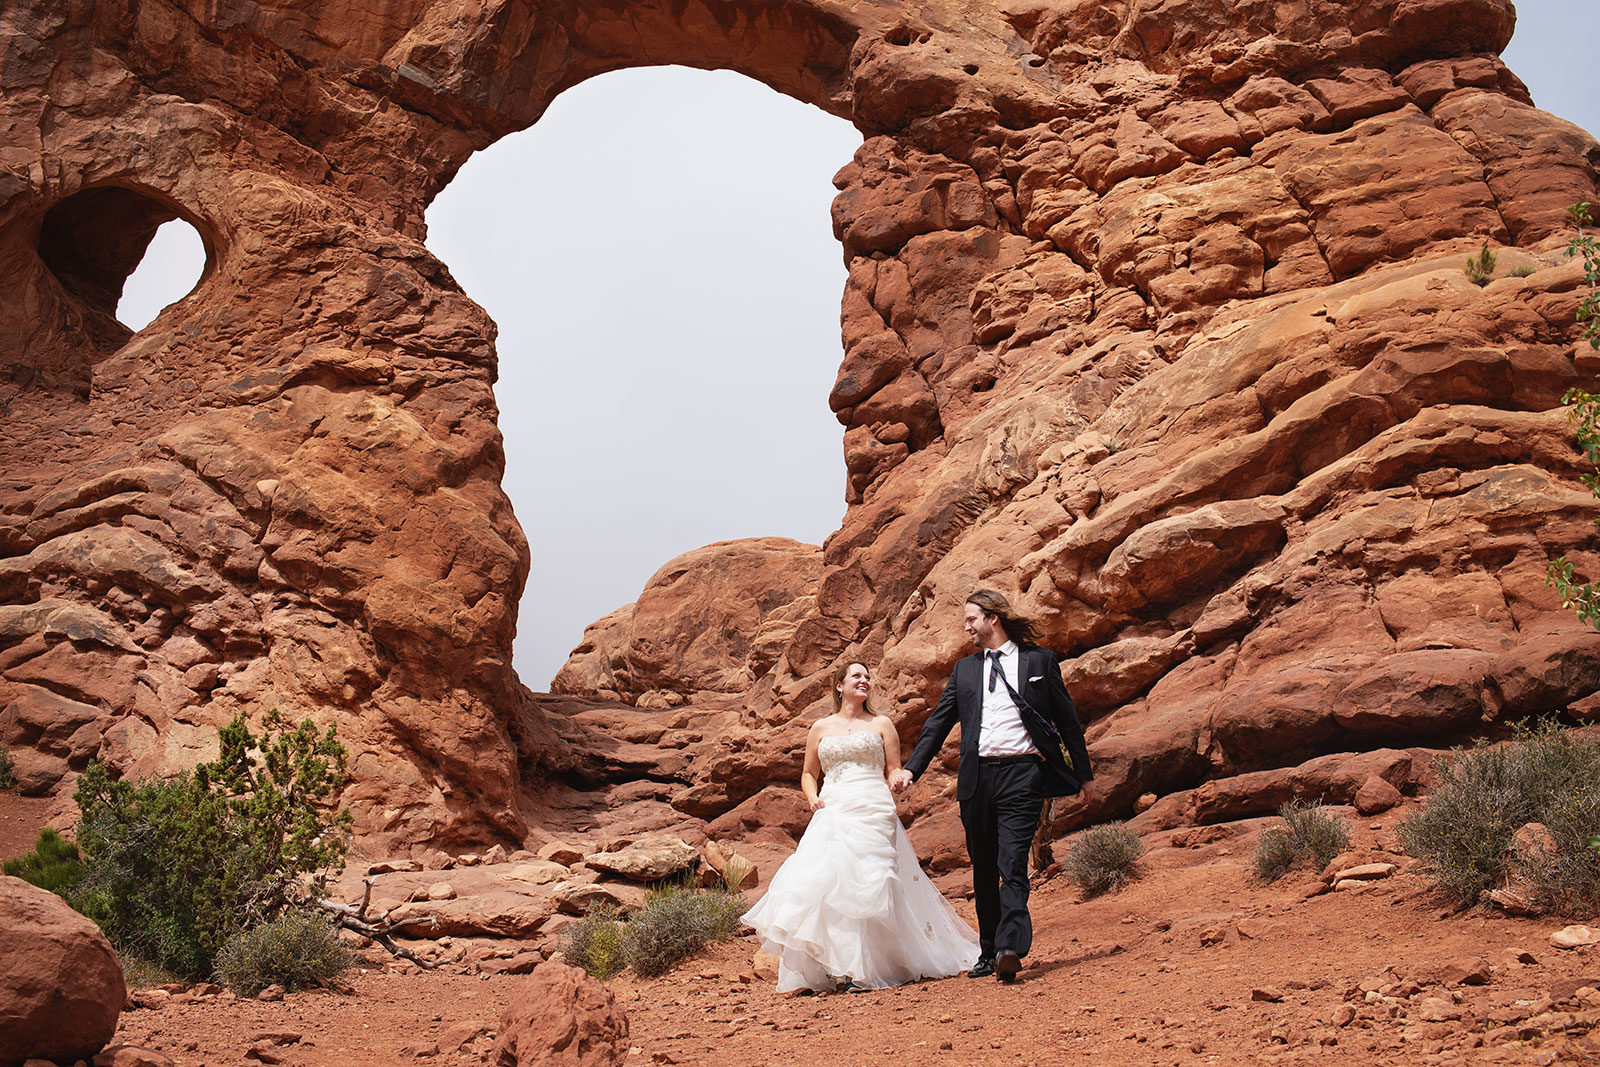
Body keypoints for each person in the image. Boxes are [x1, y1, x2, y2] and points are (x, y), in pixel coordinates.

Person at [890, 589, 1094, 984]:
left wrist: (1083, 774)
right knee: (983, 867)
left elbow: (1067, 721)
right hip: (977, 778)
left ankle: (1010, 947)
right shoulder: (965, 670)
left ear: (992, 618)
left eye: (971, 619)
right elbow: (938, 723)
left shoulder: (1039, 661)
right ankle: (988, 951)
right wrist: (913, 770)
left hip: (1023, 775)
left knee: (1012, 862)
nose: (966, 627)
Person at [743, 661, 980, 993]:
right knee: (830, 882)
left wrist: (899, 780)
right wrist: (812, 798)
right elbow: (809, 773)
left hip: (873, 806)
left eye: (868, 677)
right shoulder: (820, 728)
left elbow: (893, 769)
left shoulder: (882, 723)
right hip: (835, 807)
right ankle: (838, 965)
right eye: (857, 676)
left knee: (873, 881)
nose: (864, 681)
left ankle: (866, 969)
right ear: (840, 686)